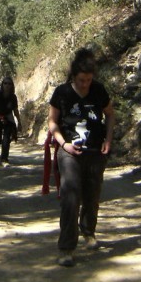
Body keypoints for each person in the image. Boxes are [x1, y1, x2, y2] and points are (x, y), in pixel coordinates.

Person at [47, 46, 116, 267]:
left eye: (88, 80)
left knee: (92, 195)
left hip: (95, 152)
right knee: (70, 195)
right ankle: (66, 248)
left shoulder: (99, 90)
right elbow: (52, 121)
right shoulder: (62, 93)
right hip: (68, 152)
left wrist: (108, 139)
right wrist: (63, 143)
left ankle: (88, 232)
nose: (85, 84)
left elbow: (110, 115)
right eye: (81, 80)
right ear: (73, 76)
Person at [0, 77, 22, 165]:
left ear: (12, 86)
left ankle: (4, 158)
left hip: (8, 119)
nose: (7, 85)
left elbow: (15, 110)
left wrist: (19, 122)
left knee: (6, 139)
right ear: (2, 85)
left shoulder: (13, 97)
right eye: (5, 83)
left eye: (9, 84)